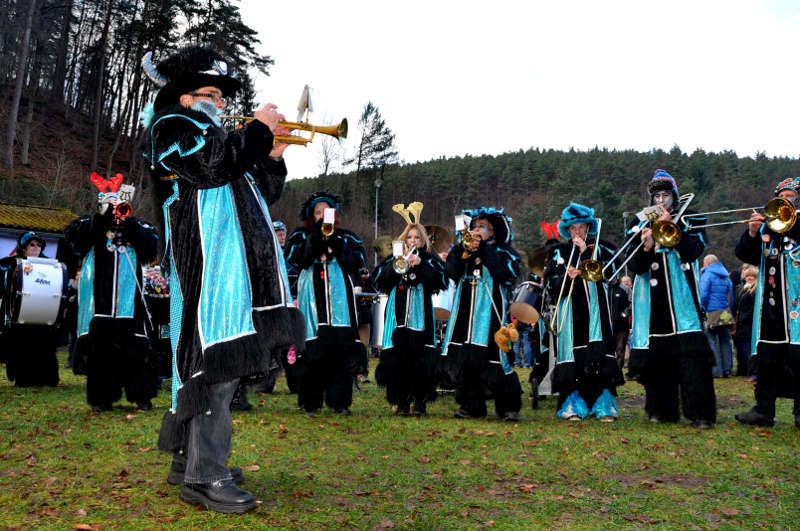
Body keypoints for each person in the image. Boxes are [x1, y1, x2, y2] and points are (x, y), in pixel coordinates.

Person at [141, 46, 304, 513]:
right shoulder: (171, 127)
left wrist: (271, 154)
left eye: (222, 95)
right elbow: (211, 167)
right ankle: (204, 475)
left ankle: (189, 462)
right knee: (212, 363)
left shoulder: (221, 138)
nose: (222, 101)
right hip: (208, 265)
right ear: (186, 98)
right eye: (211, 93)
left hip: (234, 269)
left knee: (209, 365)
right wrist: (255, 129)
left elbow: (263, 190)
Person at [627, 170, 716, 429]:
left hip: (682, 299)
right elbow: (635, 266)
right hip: (653, 301)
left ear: (674, 197)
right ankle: (661, 409)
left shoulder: (691, 217)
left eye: (666, 195)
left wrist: (674, 229)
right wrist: (645, 245)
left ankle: (700, 413)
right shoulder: (639, 222)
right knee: (658, 359)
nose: (661, 201)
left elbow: (693, 252)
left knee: (692, 358)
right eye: (656, 196)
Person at [64, 178, 160, 412]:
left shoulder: (138, 228)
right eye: (109, 205)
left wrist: (129, 225)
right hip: (100, 303)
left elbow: (152, 247)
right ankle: (102, 397)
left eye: (117, 205)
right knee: (101, 351)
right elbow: (74, 240)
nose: (115, 210)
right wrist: (103, 220)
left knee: (136, 350)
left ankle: (142, 396)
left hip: (130, 303)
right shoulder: (89, 225)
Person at [285, 191, 368, 416]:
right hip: (311, 295)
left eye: (326, 211)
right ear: (312, 215)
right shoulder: (301, 235)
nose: (322, 215)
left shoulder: (346, 237)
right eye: (318, 211)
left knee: (340, 349)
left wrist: (336, 243)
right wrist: (315, 239)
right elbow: (296, 260)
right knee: (313, 349)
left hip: (339, 296)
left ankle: (339, 402)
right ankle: (309, 402)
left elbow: (356, 263)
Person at [440, 207, 523, 421]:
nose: (477, 230)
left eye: (482, 227)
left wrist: (484, 250)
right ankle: (471, 406)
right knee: (466, 360)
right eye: (474, 226)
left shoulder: (504, 252)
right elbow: (451, 272)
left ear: (493, 231)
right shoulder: (462, 250)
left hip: (492, 312)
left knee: (498, 358)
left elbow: (507, 275)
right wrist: (462, 251)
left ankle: (507, 407)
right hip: (465, 313)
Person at [543, 203, 623, 421]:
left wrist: (585, 253)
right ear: (567, 230)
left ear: (589, 227)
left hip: (597, 311)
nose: (577, 232)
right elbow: (550, 285)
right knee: (574, 356)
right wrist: (565, 277)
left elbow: (612, 276)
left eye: (581, 227)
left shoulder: (603, 248)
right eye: (573, 228)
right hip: (571, 312)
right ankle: (573, 404)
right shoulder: (558, 252)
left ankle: (602, 404)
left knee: (598, 355)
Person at [734, 177, 800, 429]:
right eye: (782, 197)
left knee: (798, 359)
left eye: (792, 197)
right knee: (767, 358)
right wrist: (752, 232)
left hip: (797, 304)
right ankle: (763, 409)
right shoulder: (768, 227)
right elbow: (745, 254)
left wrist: (789, 221)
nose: (787, 201)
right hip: (771, 304)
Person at [373, 203, 447, 416]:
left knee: (421, 360)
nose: (412, 241)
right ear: (403, 240)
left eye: (417, 238)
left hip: (421, 315)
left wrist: (420, 265)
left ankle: (420, 402)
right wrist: (399, 265)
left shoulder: (430, 260)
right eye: (409, 237)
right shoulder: (393, 258)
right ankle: (402, 401)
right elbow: (380, 279)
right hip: (397, 317)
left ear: (423, 241)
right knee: (398, 360)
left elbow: (440, 281)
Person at [0, 232, 60, 387]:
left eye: (39, 245)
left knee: (44, 344)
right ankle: (24, 378)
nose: (36, 248)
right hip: (19, 313)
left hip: (43, 312)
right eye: (32, 244)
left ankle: (47, 378)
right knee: (21, 345)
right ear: (24, 248)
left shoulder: (50, 265)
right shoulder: (11, 263)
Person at [700, 254, 734, 378]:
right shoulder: (726, 276)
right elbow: (731, 296)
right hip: (725, 312)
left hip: (711, 312)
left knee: (711, 340)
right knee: (725, 340)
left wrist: (701, 308)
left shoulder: (707, 275)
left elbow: (703, 294)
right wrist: (730, 310)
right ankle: (727, 369)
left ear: (707, 263)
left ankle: (716, 370)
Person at [732, 265, 757, 377]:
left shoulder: (755, 289)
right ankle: (743, 370)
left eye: (752, 276)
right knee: (741, 348)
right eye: (748, 276)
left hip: (749, 323)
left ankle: (752, 372)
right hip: (741, 323)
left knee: (748, 349)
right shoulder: (743, 289)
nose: (749, 278)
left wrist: (747, 317)